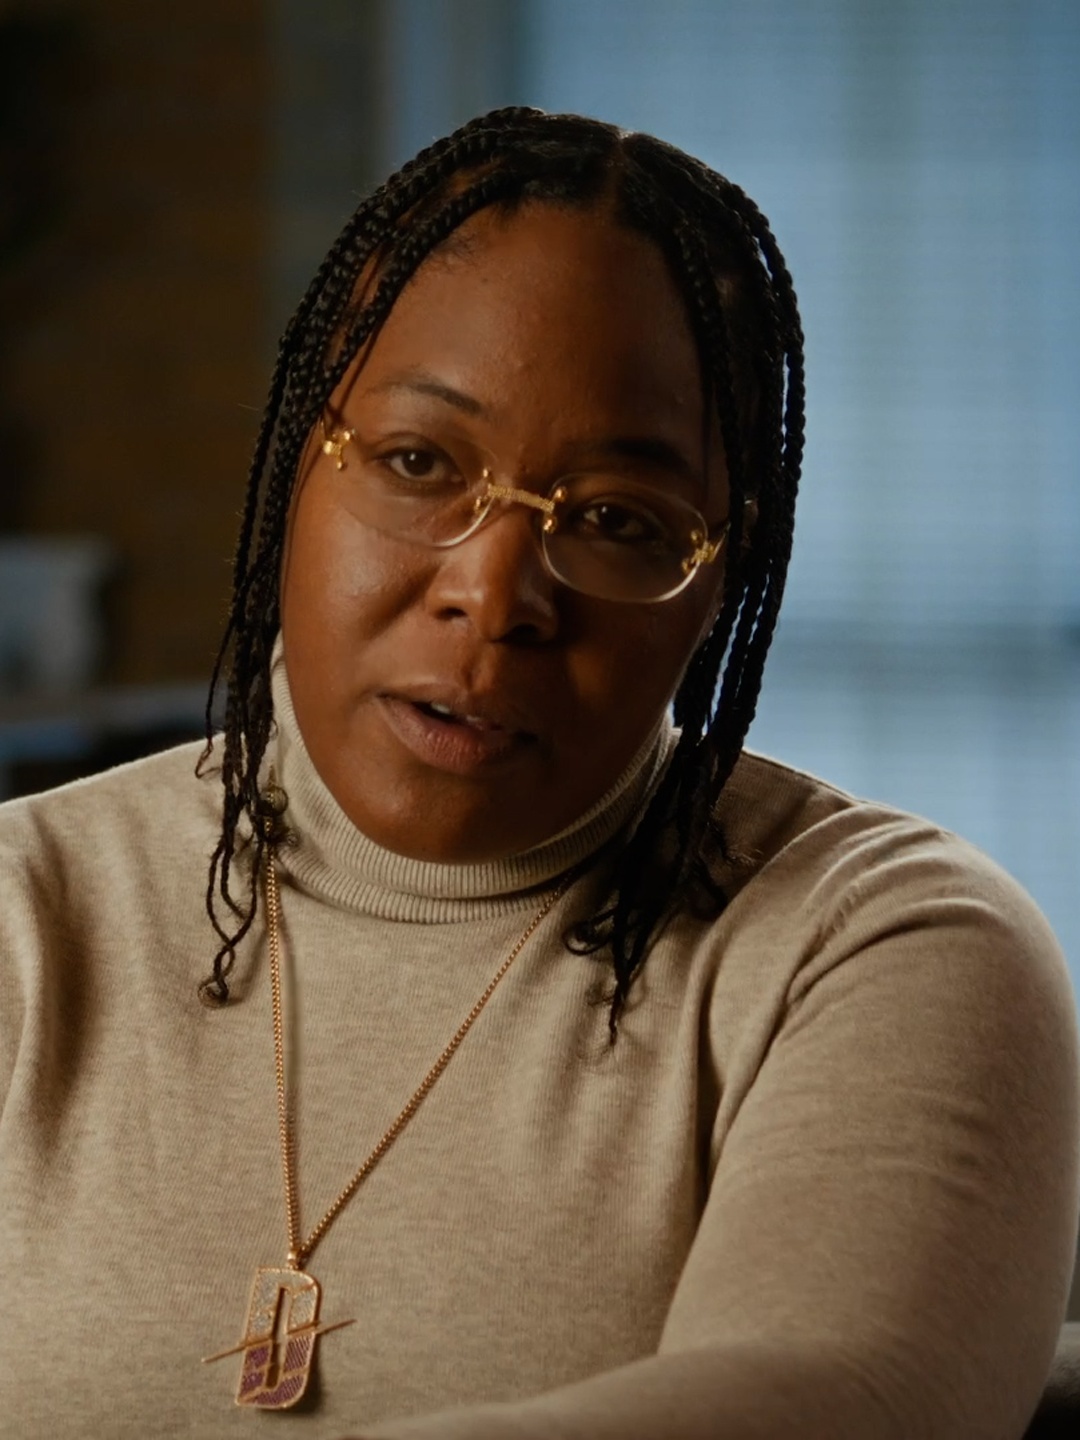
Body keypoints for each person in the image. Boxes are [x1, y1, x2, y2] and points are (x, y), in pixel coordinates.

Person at [0, 108, 1076, 1440]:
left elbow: (845, 1401)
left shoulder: (873, 946)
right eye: (417, 463)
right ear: (297, 463)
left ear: (720, 580)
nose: (495, 592)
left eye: (618, 520)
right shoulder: (26, 915)